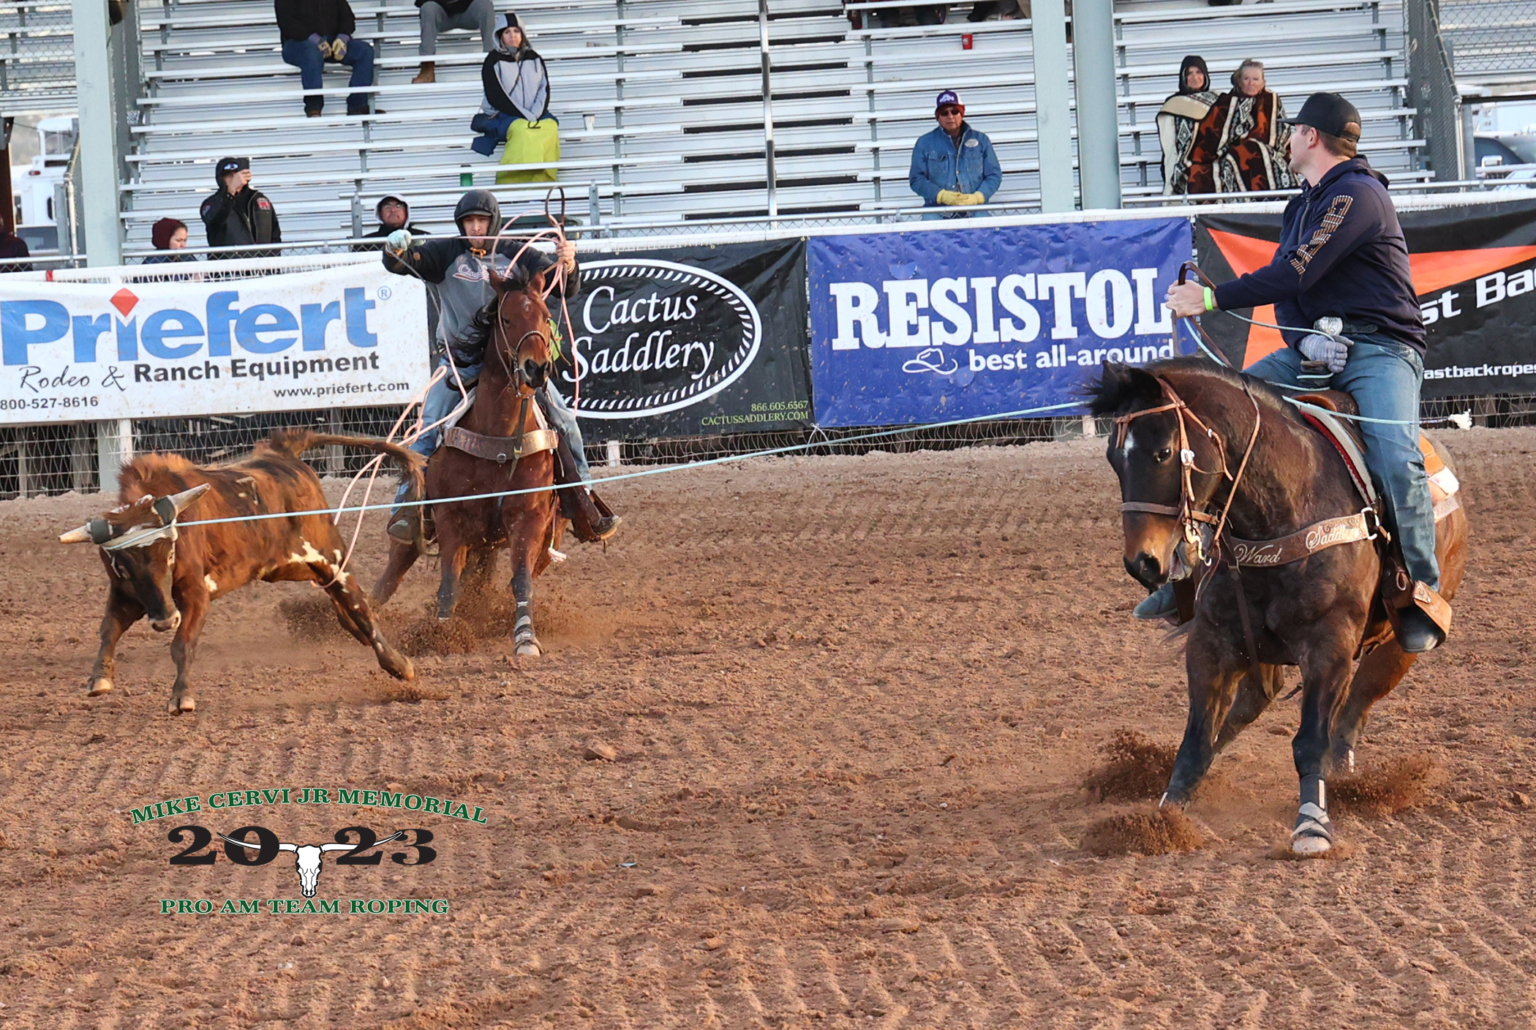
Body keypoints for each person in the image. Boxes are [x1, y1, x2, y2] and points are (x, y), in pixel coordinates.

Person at [1159, 93, 1448, 654]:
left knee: (1395, 455)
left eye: (1292, 132)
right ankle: (1189, 574)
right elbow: (1288, 287)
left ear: (1312, 137)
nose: (1286, 139)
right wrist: (1303, 339)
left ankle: (1421, 590)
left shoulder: (1358, 195)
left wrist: (1213, 299)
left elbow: (1297, 270)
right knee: (1228, 419)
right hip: (1318, 348)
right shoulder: (1304, 206)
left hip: (1384, 349)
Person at [381, 188, 620, 545]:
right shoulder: (445, 252)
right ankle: (407, 508)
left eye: (481, 220)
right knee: (428, 428)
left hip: (513, 367)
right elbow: (400, 263)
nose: (475, 227)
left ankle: (583, 500)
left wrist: (569, 263)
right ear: (460, 224)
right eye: (469, 221)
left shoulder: (519, 253)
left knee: (564, 419)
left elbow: (564, 288)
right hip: (460, 364)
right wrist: (394, 249)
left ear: (492, 222)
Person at [1186, 59, 1293, 195]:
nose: (1251, 82)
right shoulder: (1225, 102)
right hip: (1234, 156)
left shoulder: (1272, 101)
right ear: (1239, 81)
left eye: (1256, 79)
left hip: (1270, 155)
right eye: (1246, 78)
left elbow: (1283, 133)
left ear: (1263, 83)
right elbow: (1211, 137)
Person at [908, 90, 1002, 218]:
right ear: (938, 117)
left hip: (976, 210)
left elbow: (994, 175)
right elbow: (916, 179)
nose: (950, 116)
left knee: (985, 234)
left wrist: (978, 197)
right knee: (930, 235)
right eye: (944, 113)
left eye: (954, 111)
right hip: (937, 212)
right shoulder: (924, 143)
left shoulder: (981, 140)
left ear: (962, 113)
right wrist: (941, 195)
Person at [275, 0, 376, 117]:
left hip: (330, 42)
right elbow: (286, 22)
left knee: (364, 51)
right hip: (297, 43)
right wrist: (314, 40)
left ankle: (357, 106)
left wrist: (343, 37)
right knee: (311, 52)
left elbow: (348, 17)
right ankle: (314, 107)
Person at [471, 13, 551, 158]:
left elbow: (544, 88)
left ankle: (546, 174)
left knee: (551, 125)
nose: (512, 35)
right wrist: (527, 117)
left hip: (534, 113)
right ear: (500, 36)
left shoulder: (535, 58)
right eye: (507, 32)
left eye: (516, 31)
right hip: (505, 114)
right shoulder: (492, 60)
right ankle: (512, 175)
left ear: (522, 34)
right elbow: (496, 96)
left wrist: (535, 114)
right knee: (521, 128)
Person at [1157, 56, 1218, 196]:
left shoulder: (1218, 101)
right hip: (1184, 165)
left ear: (1205, 75)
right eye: (1189, 73)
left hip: (1213, 163)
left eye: (1198, 72)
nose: (1194, 77)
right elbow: (1169, 142)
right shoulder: (1173, 103)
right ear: (1183, 78)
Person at [199, 157, 282, 257]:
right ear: (221, 179)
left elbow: (275, 235)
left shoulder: (259, 199)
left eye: (236, 175)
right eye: (230, 176)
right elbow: (215, 222)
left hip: (263, 268)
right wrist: (230, 192)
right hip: (229, 269)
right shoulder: (211, 203)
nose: (235, 179)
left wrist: (273, 262)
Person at [411, 0, 497, 84]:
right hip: (441, 11)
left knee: (486, 5)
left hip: (469, 10)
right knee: (427, 8)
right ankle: (427, 67)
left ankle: (492, 63)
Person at [354, 195, 431, 251]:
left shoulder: (425, 238)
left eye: (398, 206)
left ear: (407, 212)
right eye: (387, 207)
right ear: (380, 213)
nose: (393, 210)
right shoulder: (366, 243)